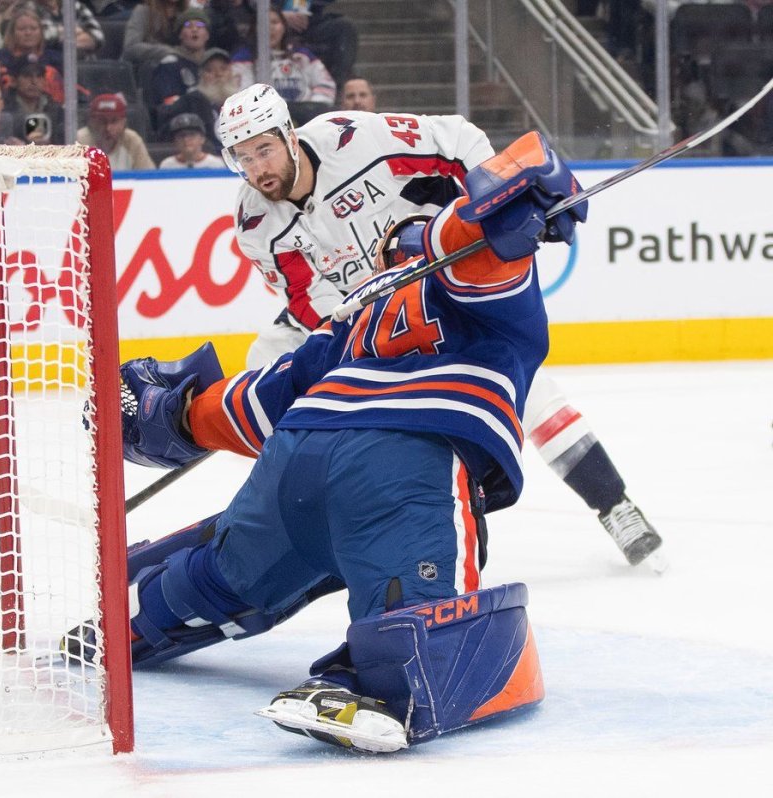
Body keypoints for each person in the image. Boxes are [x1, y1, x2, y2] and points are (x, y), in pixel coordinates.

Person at [81, 85, 587, 751]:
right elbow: (491, 216)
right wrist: (520, 200)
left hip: (296, 457)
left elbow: (260, 404)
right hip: (404, 467)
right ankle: (371, 678)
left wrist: (173, 415)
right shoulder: (476, 279)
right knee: (435, 607)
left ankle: (147, 609)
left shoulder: (344, 332)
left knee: (227, 574)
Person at [225, 88, 663, 568]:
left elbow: (455, 139)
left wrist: (500, 201)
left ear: (289, 135)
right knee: (263, 367)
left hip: (438, 287)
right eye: (243, 158)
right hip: (365, 320)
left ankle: (615, 504)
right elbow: (306, 298)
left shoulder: (353, 139)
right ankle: (316, 514)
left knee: (526, 389)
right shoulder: (253, 222)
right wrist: (359, 323)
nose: (258, 168)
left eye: (264, 150)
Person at [232, 8, 335, 105]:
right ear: (254, 28)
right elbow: (243, 96)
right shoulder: (243, 59)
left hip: (306, 118)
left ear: (284, 27)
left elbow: (326, 86)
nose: (270, 28)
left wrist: (311, 111)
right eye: (264, 23)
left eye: (274, 22)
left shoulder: (302, 55)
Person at [148, 8, 220, 140]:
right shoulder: (169, 64)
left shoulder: (214, 63)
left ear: (207, 35)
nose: (194, 29)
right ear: (180, 35)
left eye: (200, 25)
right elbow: (167, 107)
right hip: (179, 128)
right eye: (188, 25)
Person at [0, 4, 65, 102]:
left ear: (41, 32)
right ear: (12, 33)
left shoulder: (55, 58)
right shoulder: (0, 58)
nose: (28, 33)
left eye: (33, 29)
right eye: (22, 29)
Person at [76, 92, 155, 171]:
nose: (108, 128)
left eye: (114, 121)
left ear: (123, 122)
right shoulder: (79, 141)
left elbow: (150, 178)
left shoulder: (132, 140)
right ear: (91, 122)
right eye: (102, 121)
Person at [3, 60, 64, 143]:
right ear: (14, 81)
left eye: (39, 76)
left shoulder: (56, 110)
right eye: (27, 76)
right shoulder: (5, 109)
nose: (34, 81)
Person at [122, 0, 189, 73]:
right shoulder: (143, 12)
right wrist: (168, 52)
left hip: (181, 71)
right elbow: (131, 47)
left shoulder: (187, 15)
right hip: (143, 71)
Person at [159, 112, 225, 169]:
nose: (186, 139)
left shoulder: (216, 164)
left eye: (192, 135)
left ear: (202, 139)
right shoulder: (167, 165)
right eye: (181, 136)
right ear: (175, 141)